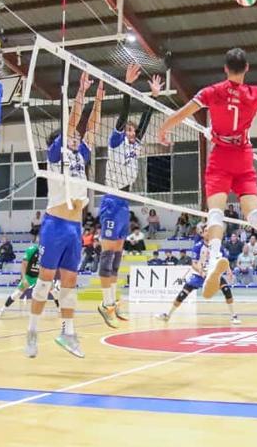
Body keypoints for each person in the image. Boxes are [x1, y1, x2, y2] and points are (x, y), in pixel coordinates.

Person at [158, 36, 257, 299]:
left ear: (225, 68)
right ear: (247, 69)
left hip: (221, 155)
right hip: (243, 155)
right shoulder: (255, 94)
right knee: (252, 212)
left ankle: (213, 259)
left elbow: (183, 112)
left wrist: (164, 128)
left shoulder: (212, 92)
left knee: (215, 212)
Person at [24, 71, 103, 360]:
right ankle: (32, 332)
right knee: (44, 280)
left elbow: (91, 128)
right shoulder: (56, 155)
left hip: (75, 228)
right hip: (55, 225)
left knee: (70, 285)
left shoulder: (81, 155)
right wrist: (80, 93)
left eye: (77, 137)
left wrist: (99, 100)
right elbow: (73, 122)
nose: (77, 136)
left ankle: (68, 333)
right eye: (72, 135)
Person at [96, 66, 161, 329]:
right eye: (129, 131)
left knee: (119, 254)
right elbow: (124, 114)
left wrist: (154, 96)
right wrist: (127, 86)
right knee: (108, 253)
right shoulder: (116, 140)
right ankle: (105, 303)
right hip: (111, 200)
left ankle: (113, 303)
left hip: (124, 203)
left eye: (134, 132)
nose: (132, 133)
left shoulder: (135, 144)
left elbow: (145, 120)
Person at [156, 225, 240, 324]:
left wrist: (229, 271)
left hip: (212, 274)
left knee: (226, 290)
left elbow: (224, 260)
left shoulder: (217, 246)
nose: (207, 232)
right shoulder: (198, 246)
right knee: (183, 294)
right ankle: (168, 315)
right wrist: (201, 271)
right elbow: (194, 264)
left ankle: (233, 316)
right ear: (203, 234)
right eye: (205, 231)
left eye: (209, 231)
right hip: (199, 275)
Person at [0, 241, 59, 319]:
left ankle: (59, 307)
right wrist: (24, 279)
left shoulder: (49, 253)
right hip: (30, 275)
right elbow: (23, 265)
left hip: (41, 275)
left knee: (54, 291)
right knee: (17, 294)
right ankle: (2, 309)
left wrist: (49, 278)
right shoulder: (31, 250)